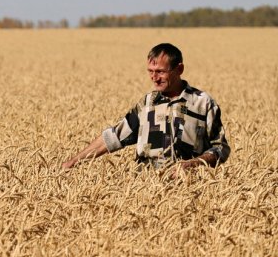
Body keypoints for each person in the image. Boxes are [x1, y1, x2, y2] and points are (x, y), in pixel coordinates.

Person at [62, 43, 230, 176]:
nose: (154, 78)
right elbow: (114, 137)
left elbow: (220, 148)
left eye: (160, 72)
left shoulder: (203, 103)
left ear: (179, 69)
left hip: (189, 190)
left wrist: (192, 164)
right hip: (146, 191)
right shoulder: (147, 103)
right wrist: (72, 163)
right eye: (150, 71)